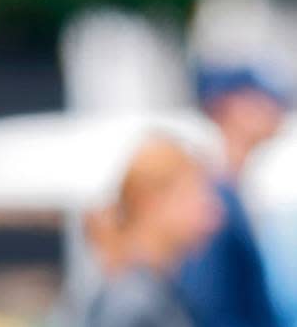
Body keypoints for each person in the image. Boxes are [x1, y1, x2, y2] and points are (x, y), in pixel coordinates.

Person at [175, 67, 288, 327]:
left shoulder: (229, 190)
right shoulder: (214, 199)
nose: (273, 108)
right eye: (258, 100)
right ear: (230, 107)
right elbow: (211, 305)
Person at [85, 136, 223, 327]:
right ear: (151, 203)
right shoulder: (134, 302)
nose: (214, 214)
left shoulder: (157, 291)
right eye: (196, 196)